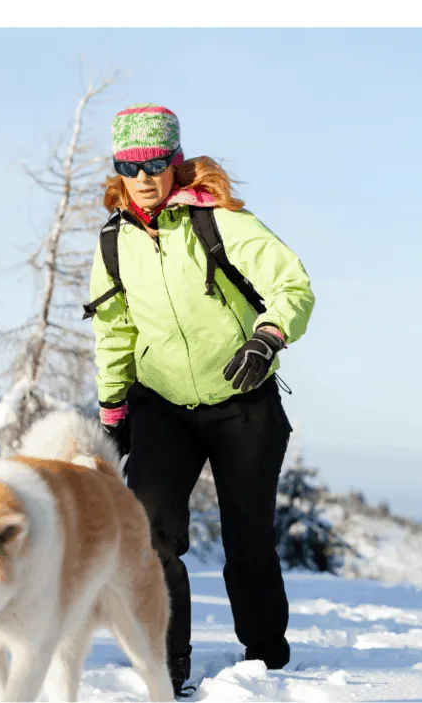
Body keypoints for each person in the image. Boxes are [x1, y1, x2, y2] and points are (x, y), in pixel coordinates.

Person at [87, 103, 315, 696]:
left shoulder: (219, 221)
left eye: (156, 162)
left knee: (248, 539)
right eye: (130, 165)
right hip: (162, 405)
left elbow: (293, 283)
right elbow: (115, 328)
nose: (143, 176)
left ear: (175, 161)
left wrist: (268, 339)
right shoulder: (114, 242)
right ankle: (168, 667)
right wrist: (113, 410)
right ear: (118, 169)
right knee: (151, 534)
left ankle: (265, 662)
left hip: (243, 400)